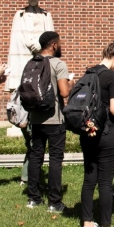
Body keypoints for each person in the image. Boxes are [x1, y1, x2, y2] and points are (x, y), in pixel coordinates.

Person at [80, 39, 114, 227]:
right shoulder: (112, 76)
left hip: (87, 131)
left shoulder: (88, 73)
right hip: (106, 133)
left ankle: (87, 225)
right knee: (105, 182)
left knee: (89, 178)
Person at [6, 0, 54, 186]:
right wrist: (30, 43)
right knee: (33, 141)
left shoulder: (45, 15)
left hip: (39, 59)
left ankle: (30, 176)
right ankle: (30, 177)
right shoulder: (20, 15)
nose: (33, 1)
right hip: (24, 58)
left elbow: (51, 36)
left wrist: (40, 45)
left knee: (36, 142)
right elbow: (17, 37)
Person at [26, 32, 74, 212]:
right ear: (54, 45)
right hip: (54, 119)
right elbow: (63, 93)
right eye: (59, 43)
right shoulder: (58, 64)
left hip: (36, 118)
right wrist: (71, 83)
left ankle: (33, 198)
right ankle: (54, 202)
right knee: (55, 158)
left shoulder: (32, 63)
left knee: (35, 156)